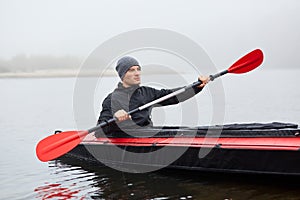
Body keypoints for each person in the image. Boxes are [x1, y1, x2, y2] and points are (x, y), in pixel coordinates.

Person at [96, 56, 209, 137]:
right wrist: (115, 119)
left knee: (188, 132)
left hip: (148, 133)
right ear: (122, 75)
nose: (137, 73)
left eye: (138, 69)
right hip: (125, 137)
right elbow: (99, 131)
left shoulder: (147, 92)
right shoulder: (112, 99)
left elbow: (173, 96)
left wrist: (197, 86)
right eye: (131, 70)